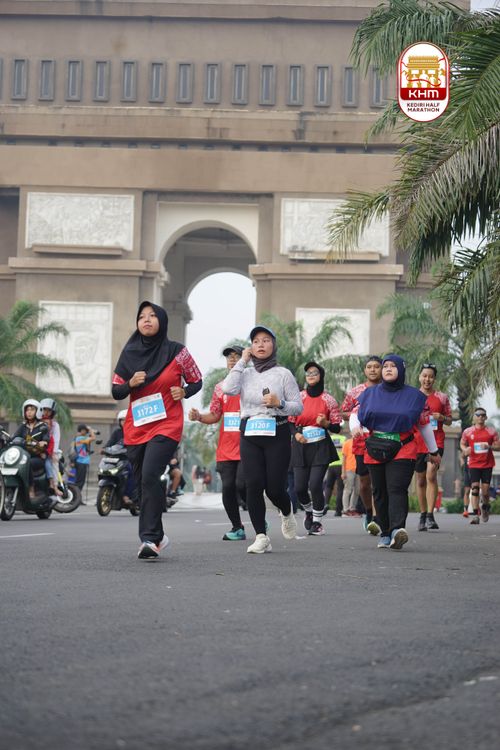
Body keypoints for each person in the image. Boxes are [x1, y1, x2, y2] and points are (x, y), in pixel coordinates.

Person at [112, 301, 202, 559]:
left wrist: (184, 391)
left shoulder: (177, 352)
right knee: (143, 484)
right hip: (137, 427)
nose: (147, 320)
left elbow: (197, 380)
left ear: (162, 320)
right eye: (142, 316)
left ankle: (149, 539)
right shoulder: (129, 353)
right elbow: (116, 390)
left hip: (167, 424)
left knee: (151, 474)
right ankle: (159, 536)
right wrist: (131, 383)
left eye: (152, 315)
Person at [222, 324, 302, 553]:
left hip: (277, 431)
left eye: (266, 340)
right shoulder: (244, 373)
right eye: (256, 341)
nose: (260, 345)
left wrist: (280, 403)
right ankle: (261, 536)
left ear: (273, 345)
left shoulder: (283, 374)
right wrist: (242, 361)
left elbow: (298, 407)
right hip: (250, 432)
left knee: (275, 489)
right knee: (253, 485)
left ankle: (286, 511)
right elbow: (227, 389)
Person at [350, 354, 441, 551]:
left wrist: (433, 451)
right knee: (379, 491)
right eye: (385, 366)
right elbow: (355, 414)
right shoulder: (369, 394)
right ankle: (384, 533)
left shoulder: (415, 397)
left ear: (401, 369)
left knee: (396, 488)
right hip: (375, 447)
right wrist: (355, 427)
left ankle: (397, 530)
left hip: (403, 447)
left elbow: (424, 424)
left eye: (393, 366)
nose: (388, 369)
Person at [189, 345, 248, 541]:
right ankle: (237, 527)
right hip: (226, 448)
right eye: (229, 357)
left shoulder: (252, 384)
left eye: (236, 356)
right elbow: (215, 415)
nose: (232, 359)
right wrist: (199, 416)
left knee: (242, 485)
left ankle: (258, 515)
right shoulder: (220, 388)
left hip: (248, 445)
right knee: (228, 487)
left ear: (245, 359)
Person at [289, 361, 341, 536]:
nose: (311, 376)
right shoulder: (298, 397)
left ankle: (317, 522)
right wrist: (296, 434)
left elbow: (337, 427)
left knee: (315, 484)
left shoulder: (329, 400)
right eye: (308, 373)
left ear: (321, 376)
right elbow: (289, 422)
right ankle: (309, 511)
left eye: (314, 373)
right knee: (299, 488)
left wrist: (326, 423)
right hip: (300, 443)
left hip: (320, 446)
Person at [342, 356, 383, 535]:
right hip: (361, 441)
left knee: (378, 482)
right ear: (365, 370)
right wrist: (357, 415)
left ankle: (378, 517)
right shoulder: (356, 391)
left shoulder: (388, 390)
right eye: (369, 367)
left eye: (376, 366)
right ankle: (368, 511)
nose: (373, 369)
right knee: (365, 484)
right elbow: (343, 412)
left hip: (382, 439)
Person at [414, 364, 452, 531]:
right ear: (419, 377)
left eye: (430, 376)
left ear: (434, 379)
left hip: (436, 442)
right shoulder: (413, 396)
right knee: (421, 479)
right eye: (424, 376)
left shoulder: (442, 397)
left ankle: (430, 514)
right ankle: (423, 515)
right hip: (417, 442)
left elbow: (450, 419)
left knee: (431, 475)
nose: (427, 379)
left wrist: (441, 417)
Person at [460, 408, 500, 525]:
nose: (480, 417)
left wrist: (489, 447)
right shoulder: (468, 432)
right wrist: (465, 449)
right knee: (475, 488)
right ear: (474, 417)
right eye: (478, 415)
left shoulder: (491, 432)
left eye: (483, 415)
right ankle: (475, 515)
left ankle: (485, 507)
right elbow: (462, 443)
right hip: (473, 464)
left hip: (487, 464)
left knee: (486, 492)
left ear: (486, 417)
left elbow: (498, 446)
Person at [13, 399, 50, 500]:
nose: (29, 412)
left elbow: (46, 438)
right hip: (22, 455)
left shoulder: (42, 426)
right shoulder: (23, 426)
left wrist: (44, 442)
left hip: (37, 457)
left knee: (27, 463)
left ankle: (31, 488)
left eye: (32, 410)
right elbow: (15, 437)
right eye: (27, 410)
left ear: (37, 411)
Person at [40, 398, 62, 497]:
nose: (46, 412)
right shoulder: (35, 422)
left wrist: (53, 453)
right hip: (36, 450)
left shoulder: (55, 425)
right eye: (44, 409)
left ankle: (54, 485)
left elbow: (55, 441)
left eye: (49, 410)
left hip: (49, 451)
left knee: (53, 463)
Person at [323, 433, 345, 515]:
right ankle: (338, 510)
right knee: (340, 488)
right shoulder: (344, 438)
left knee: (328, 486)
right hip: (341, 465)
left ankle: (326, 504)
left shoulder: (330, 438)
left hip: (331, 464)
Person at [73, 424, 96, 491]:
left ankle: (77, 495)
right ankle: (76, 495)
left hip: (82, 462)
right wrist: (91, 430)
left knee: (80, 481)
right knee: (80, 482)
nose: (86, 432)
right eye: (85, 430)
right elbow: (93, 438)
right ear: (82, 430)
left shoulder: (80, 438)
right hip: (81, 462)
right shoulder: (81, 438)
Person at [341, 437, 360, 516]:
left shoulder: (361, 442)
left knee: (357, 490)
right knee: (348, 490)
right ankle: (345, 510)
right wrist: (343, 472)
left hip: (359, 469)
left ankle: (352, 508)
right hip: (349, 469)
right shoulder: (347, 443)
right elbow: (344, 459)